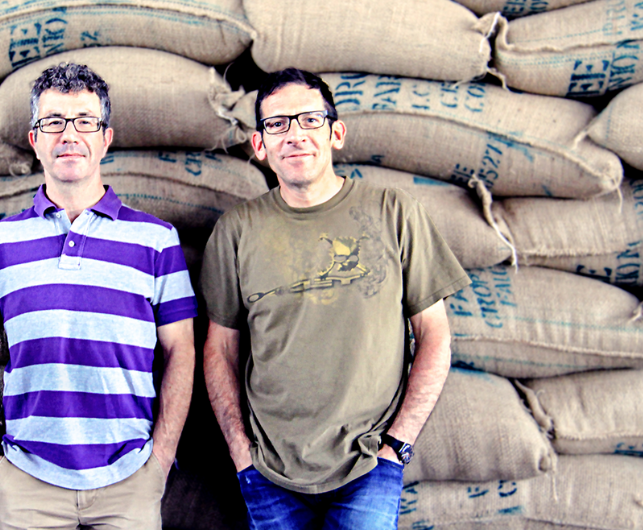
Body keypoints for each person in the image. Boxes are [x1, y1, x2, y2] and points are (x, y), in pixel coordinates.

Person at [200, 68, 471, 530]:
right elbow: (219, 348)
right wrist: (240, 452)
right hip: (267, 470)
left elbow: (435, 336)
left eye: (309, 119)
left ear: (336, 133)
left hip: (368, 465)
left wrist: (396, 447)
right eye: (277, 124)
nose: (295, 135)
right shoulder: (236, 230)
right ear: (260, 146)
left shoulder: (393, 212)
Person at [0, 62, 198, 530]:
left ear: (106, 138)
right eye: (53, 122)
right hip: (26, 481)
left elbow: (181, 351)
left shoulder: (157, 241)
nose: (69, 134)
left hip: (129, 480)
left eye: (85, 121)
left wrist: (161, 460)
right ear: (34, 139)